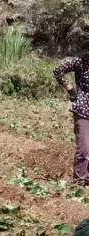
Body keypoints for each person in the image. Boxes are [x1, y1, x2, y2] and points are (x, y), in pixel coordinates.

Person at [54, 51, 89, 186]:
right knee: (84, 148)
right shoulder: (81, 61)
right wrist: (69, 88)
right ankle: (80, 181)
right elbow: (58, 70)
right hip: (83, 109)